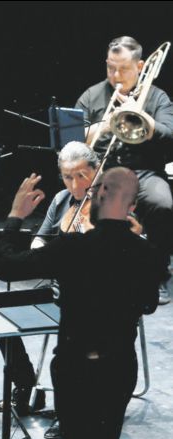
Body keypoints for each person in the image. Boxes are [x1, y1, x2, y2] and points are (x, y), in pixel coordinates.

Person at [0, 167, 166, 439]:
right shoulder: (147, 253)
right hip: (119, 368)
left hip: (75, 368)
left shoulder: (71, 247)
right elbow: (149, 304)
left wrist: (15, 216)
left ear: (97, 197)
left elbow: (5, 265)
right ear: (132, 207)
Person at [76, 35, 173, 304]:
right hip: (103, 170)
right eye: (111, 68)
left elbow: (169, 133)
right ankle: (95, 275)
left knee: (163, 204)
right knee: (84, 204)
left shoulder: (157, 97)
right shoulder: (92, 95)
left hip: (144, 172)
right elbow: (72, 138)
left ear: (140, 66)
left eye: (124, 69)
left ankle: (157, 273)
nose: (116, 76)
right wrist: (106, 124)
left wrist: (143, 119)